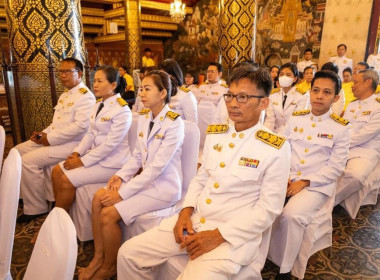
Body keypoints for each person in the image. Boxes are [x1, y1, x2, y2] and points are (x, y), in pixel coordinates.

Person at [117, 66, 291, 280]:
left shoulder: (275, 147)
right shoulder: (217, 134)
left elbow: (268, 210)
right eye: (230, 96)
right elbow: (202, 178)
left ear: (263, 102)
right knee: (128, 254)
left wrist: (218, 236)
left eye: (243, 97)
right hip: (195, 220)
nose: (234, 103)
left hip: (232, 236)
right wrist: (184, 212)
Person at [78, 70, 184, 280]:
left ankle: (110, 266)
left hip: (164, 187)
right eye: (140, 89)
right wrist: (120, 176)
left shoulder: (175, 123)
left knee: (109, 214)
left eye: (147, 89)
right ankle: (98, 258)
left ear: (163, 93)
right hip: (145, 182)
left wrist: (122, 195)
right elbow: (137, 156)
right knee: (99, 197)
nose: (141, 94)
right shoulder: (145, 117)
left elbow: (156, 168)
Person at [269, 70, 350, 280]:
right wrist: (285, 174)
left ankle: (285, 269)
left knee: (291, 215)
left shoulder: (341, 129)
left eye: (326, 92)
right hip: (287, 177)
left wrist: (305, 182)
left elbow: (336, 168)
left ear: (336, 97)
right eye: (316, 90)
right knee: (261, 203)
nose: (319, 96)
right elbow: (281, 148)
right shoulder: (296, 119)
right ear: (310, 92)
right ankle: (259, 255)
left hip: (316, 185)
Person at [15, 58, 95, 223]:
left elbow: (80, 127)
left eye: (68, 72)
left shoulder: (85, 97)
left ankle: (36, 207)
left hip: (72, 145)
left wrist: (49, 139)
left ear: (79, 74)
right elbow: (56, 123)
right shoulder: (66, 95)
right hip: (56, 139)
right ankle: (23, 195)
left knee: (27, 161)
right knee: (17, 151)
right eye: (61, 72)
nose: (63, 75)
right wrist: (41, 135)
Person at [51, 66, 132, 213]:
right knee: (57, 170)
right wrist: (77, 153)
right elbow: (90, 133)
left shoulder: (122, 110)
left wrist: (81, 161)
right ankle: (61, 215)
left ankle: (59, 218)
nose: (95, 85)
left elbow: (110, 145)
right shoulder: (98, 105)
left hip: (112, 163)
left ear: (113, 85)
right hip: (95, 158)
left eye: (100, 81)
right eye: (94, 81)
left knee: (66, 179)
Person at [335, 69, 380, 208]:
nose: (352, 85)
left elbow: (364, 135)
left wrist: (339, 142)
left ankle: (328, 201)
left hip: (365, 152)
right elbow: (344, 127)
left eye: (356, 82)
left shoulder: (377, 107)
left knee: (356, 175)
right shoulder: (352, 105)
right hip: (345, 147)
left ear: (368, 82)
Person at [264, 62, 309, 135]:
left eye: (288, 75)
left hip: (293, 135)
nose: (284, 77)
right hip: (275, 135)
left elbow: (297, 121)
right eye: (281, 74)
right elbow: (270, 120)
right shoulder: (273, 95)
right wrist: (266, 137)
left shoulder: (302, 96)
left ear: (295, 79)